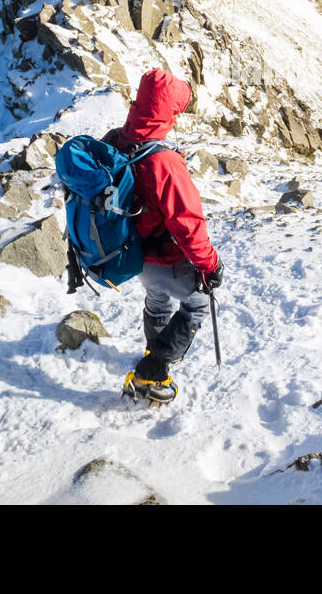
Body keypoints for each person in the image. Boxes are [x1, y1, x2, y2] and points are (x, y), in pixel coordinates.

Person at [105, 69, 223, 404]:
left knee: (157, 301)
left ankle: (154, 353)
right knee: (197, 304)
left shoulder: (117, 139)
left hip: (135, 253)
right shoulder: (163, 161)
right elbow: (187, 222)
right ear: (167, 112)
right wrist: (209, 264)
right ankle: (152, 373)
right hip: (168, 257)